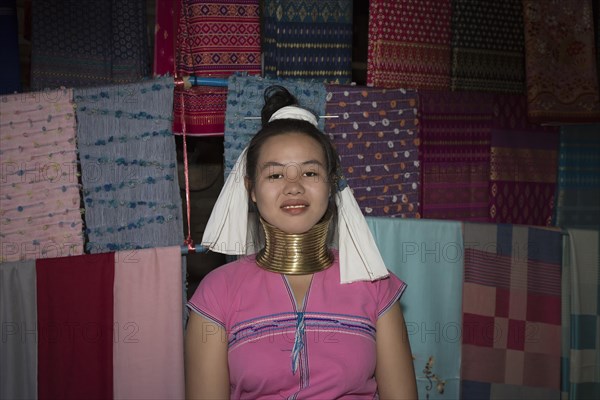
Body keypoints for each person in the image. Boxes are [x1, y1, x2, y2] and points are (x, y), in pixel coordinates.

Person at [185, 85, 417, 399]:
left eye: (310, 173)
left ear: (332, 184)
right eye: (276, 175)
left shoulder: (376, 285)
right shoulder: (216, 293)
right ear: (251, 189)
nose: (294, 187)